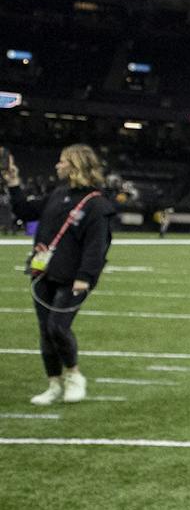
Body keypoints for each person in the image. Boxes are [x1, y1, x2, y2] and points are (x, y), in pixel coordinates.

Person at [7, 144, 117, 405]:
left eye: (62, 161)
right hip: (43, 272)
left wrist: (86, 276)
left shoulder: (96, 203)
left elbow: (97, 245)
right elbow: (25, 211)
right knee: (46, 331)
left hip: (73, 277)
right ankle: (54, 384)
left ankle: (75, 376)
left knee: (58, 327)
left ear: (75, 165)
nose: (57, 166)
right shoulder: (58, 194)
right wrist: (13, 184)